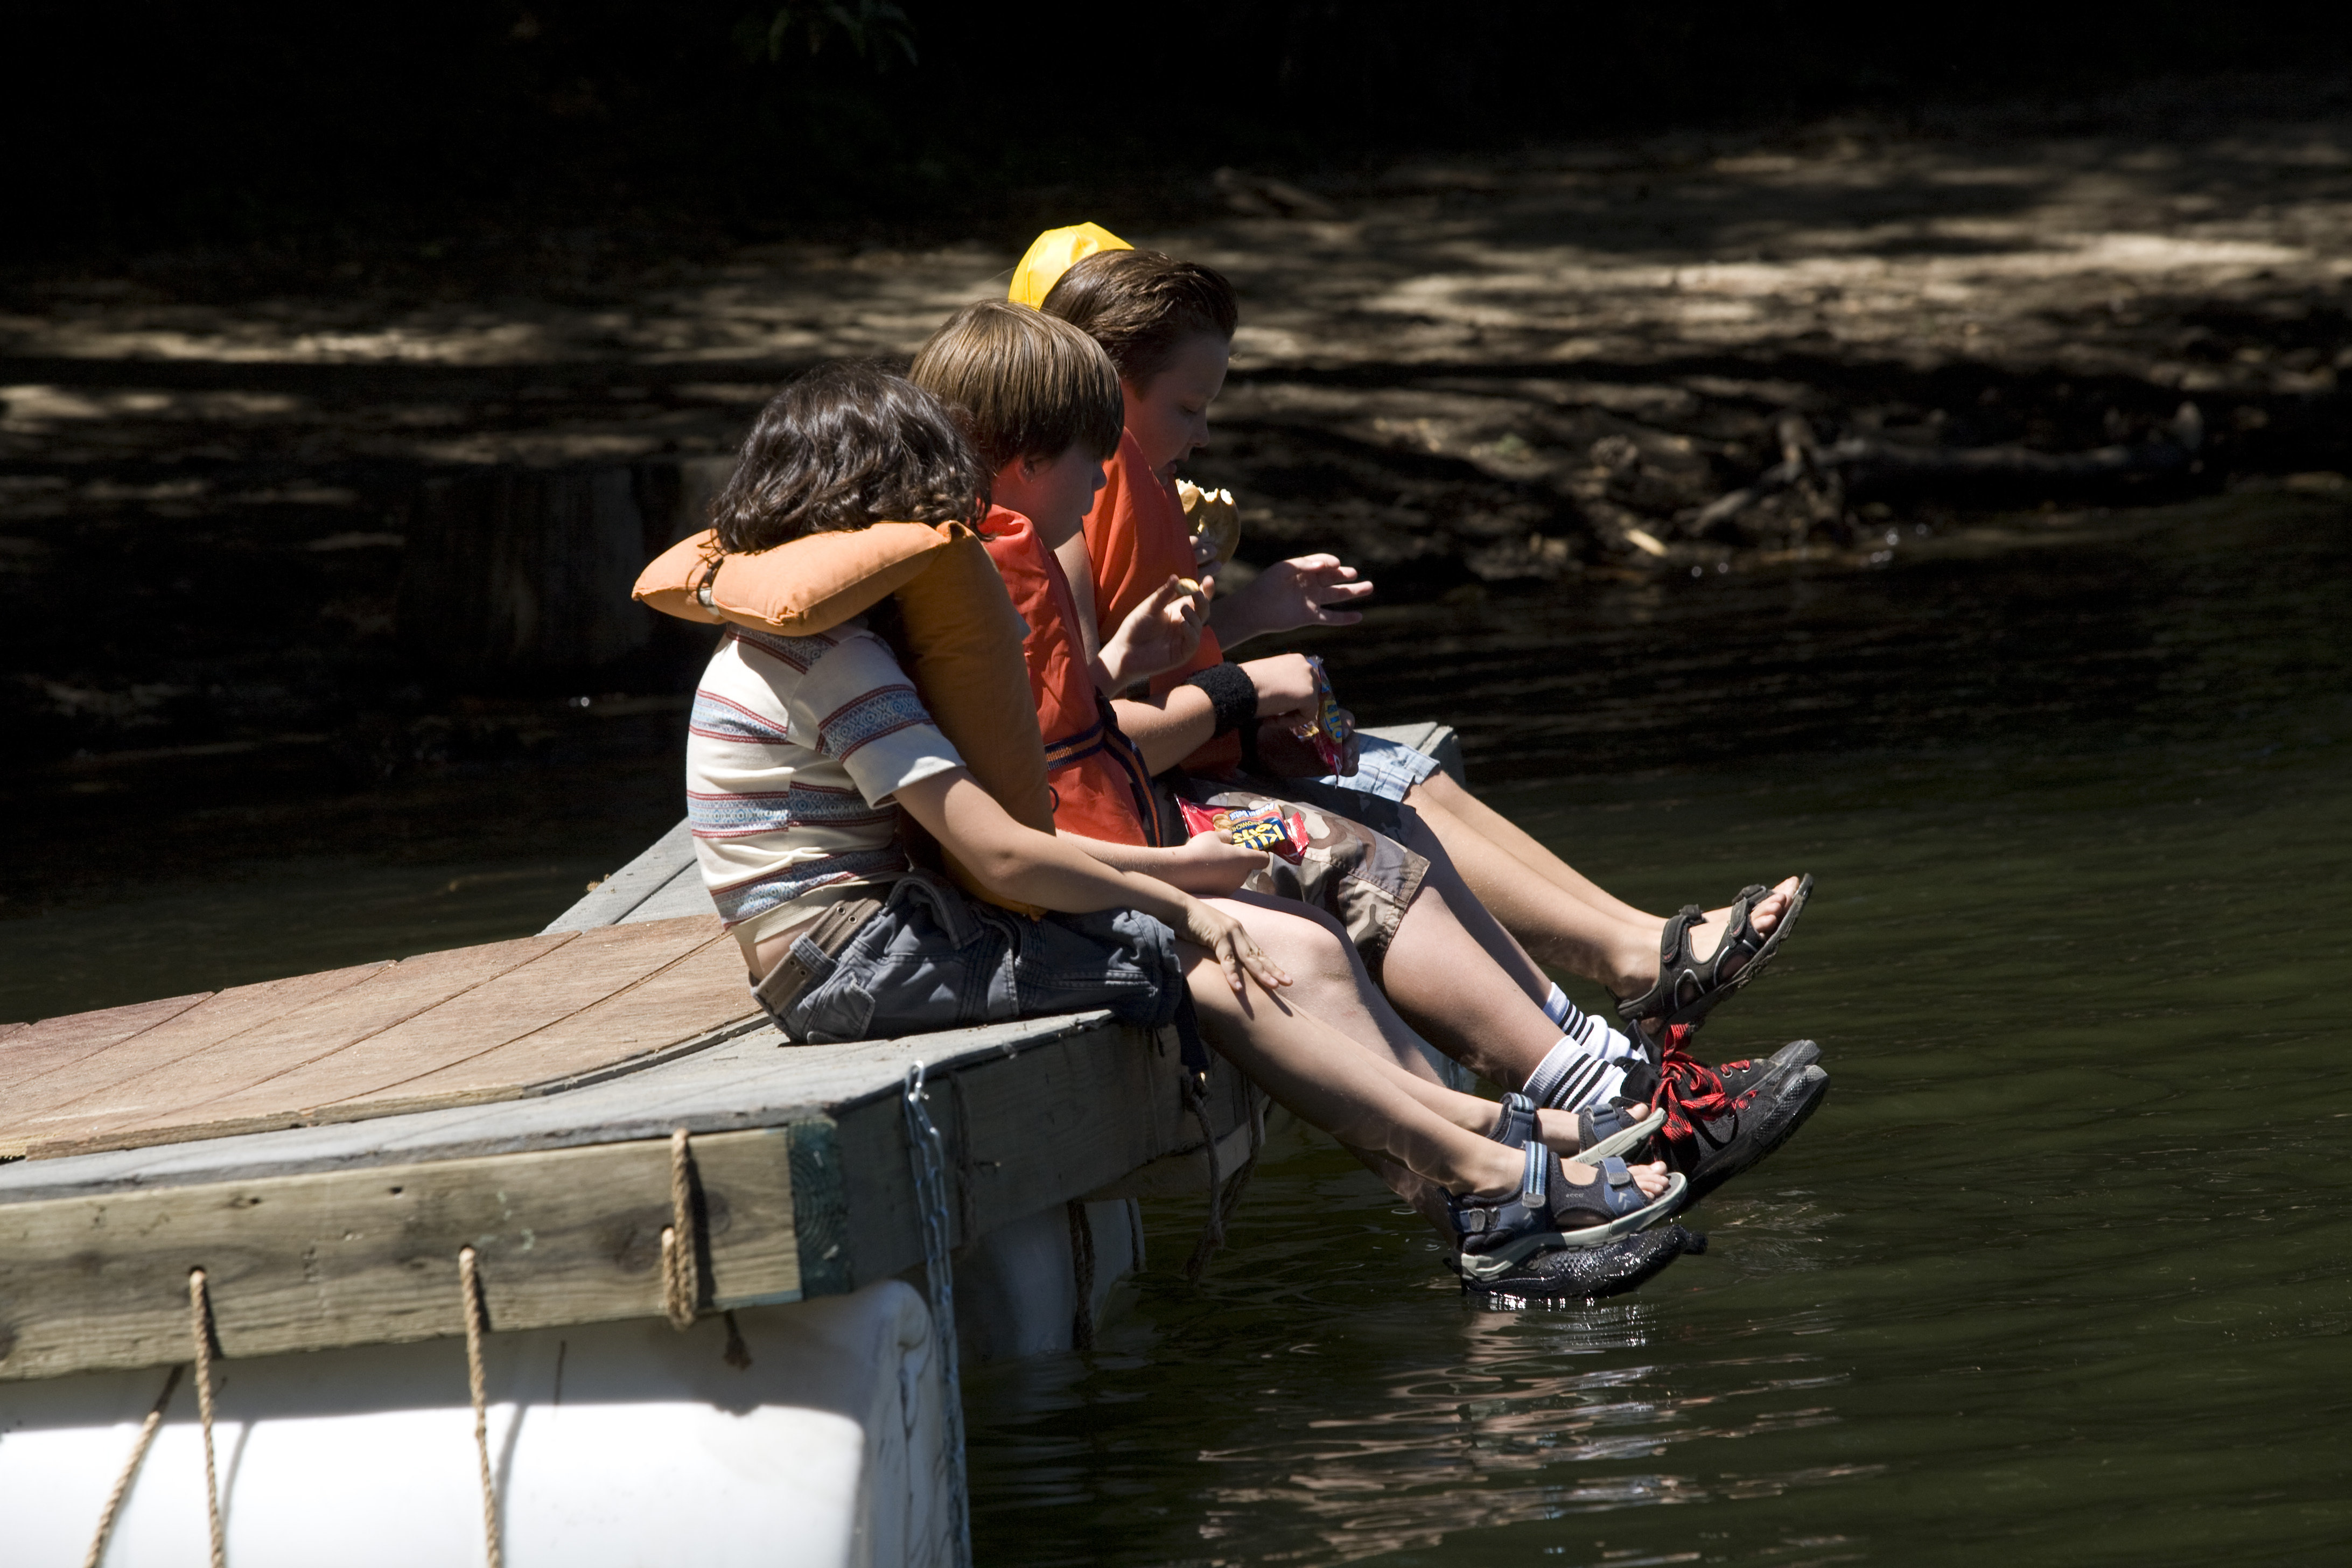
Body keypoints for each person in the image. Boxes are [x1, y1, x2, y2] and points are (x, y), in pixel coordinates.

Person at [681, 359, 1685, 1289]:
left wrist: (1174, 867)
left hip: (887, 933)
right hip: (854, 963)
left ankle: (1504, 1143)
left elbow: (984, 839)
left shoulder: (808, 642)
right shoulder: (832, 659)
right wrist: (1171, 894)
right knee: (1191, 962)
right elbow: (990, 850)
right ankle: (1490, 1184)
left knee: (1200, 928)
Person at [906, 300, 1830, 1199]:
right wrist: (1236, 694)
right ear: (1027, 453)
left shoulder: (1015, 537)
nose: (1110, 480)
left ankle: (1590, 1098)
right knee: (1348, 849)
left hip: (1113, 824)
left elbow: (1071, 718)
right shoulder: (1002, 562)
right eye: (1099, 455)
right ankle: (1565, 1137)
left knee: (1375, 807)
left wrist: (1157, 653)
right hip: (1099, 851)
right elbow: (1050, 773)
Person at [1033, 241, 1813, 1047]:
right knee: (1385, 824)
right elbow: (1094, 728)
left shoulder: (1132, 481)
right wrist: (1247, 688)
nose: (1202, 435)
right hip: (1149, 816)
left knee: (1408, 774)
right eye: (1188, 410)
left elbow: (1138, 670)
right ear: (1110, 388)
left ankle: (1626, 973)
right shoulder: (1079, 507)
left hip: (1187, 764)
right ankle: (1588, 1057)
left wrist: (1247, 622)